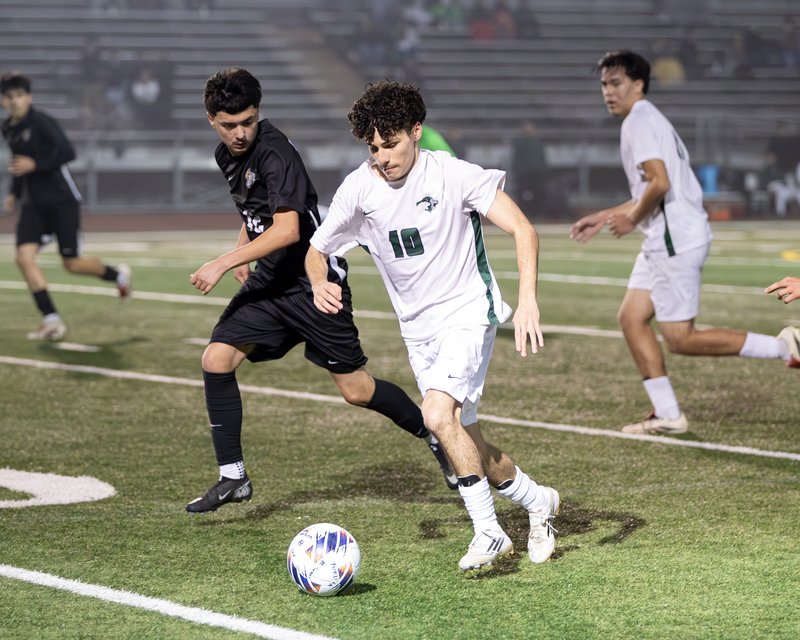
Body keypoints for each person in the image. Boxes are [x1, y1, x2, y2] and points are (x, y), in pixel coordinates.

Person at [305, 80, 559, 572]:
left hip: (467, 310)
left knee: (436, 416)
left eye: (392, 143)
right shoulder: (360, 188)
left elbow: (523, 229)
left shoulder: (454, 175)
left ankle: (489, 532)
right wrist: (318, 283)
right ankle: (537, 503)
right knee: (468, 442)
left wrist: (527, 299)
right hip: (418, 331)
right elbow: (317, 251)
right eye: (373, 147)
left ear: (416, 131)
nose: (382, 156)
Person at [184, 68, 456, 514]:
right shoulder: (227, 154)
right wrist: (246, 249)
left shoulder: (275, 153)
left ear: (258, 114)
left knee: (356, 390)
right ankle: (233, 476)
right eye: (229, 124)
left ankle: (432, 433)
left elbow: (290, 228)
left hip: (313, 283)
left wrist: (224, 261)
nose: (239, 133)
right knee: (215, 359)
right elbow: (256, 210)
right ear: (211, 118)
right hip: (271, 283)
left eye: (248, 122)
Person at [569, 50, 800, 435]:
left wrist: (632, 218)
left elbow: (659, 184)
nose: (608, 91)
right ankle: (668, 414)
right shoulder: (648, 118)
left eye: (616, 83)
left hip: (674, 239)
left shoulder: (638, 121)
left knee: (680, 338)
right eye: (604, 85)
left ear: (638, 84)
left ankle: (787, 346)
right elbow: (653, 187)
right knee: (631, 318)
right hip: (670, 235)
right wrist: (609, 215)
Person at [1, 72, 131, 341]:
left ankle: (118, 275)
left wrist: (35, 165)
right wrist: (14, 192)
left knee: (71, 264)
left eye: (19, 96)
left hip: (62, 201)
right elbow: (18, 161)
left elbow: (68, 152)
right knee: (23, 258)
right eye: (9, 97)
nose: (14, 102)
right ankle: (51, 320)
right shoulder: (8, 127)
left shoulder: (42, 122)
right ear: (3, 101)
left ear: (29, 97)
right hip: (33, 205)